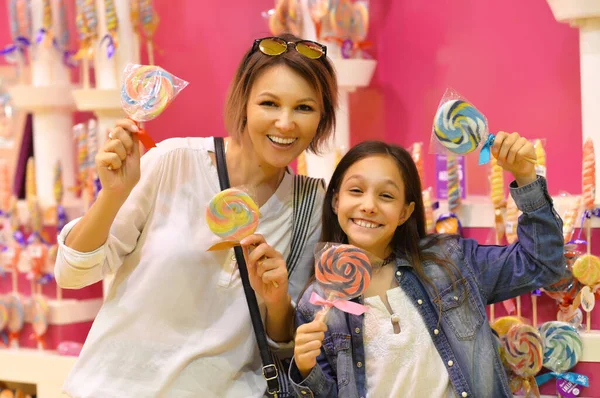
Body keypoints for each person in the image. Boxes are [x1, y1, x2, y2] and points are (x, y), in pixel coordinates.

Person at [54, 33, 338, 397]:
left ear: (321, 118)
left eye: (304, 108)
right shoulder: (173, 161)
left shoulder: (311, 205)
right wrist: (112, 195)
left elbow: (284, 347)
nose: (285, 123)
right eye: (269, 103)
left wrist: (277, 298)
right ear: (244, 102)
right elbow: (72, 274)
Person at [290, 134, 566, 397]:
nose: (369, 205)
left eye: (386, 195)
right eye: (356, 190)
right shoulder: (317, 303)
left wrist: (526, 177)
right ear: (336, 201)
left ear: (405, 212)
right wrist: (305, 368)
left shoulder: (450, 261)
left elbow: (541, 263)